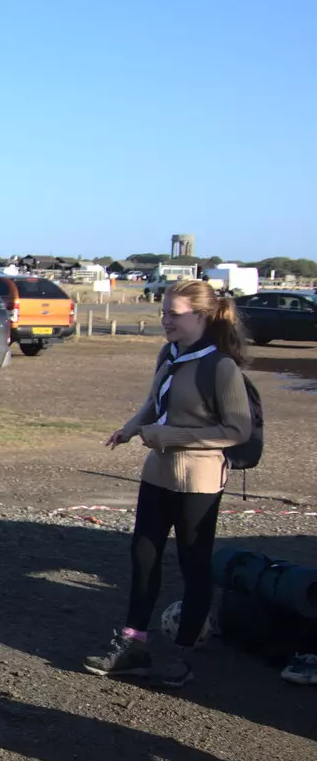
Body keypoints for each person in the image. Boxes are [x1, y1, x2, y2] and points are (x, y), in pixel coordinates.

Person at [85, 279, 254, 688]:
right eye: (163, 313)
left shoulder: (221, 366)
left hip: (199, 479)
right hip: (157, 473)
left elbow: (238, 430)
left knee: (194, 566)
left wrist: (171, 436)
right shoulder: (170, 353)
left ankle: (183, 654)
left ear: (202, 316)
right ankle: (133, 645)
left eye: (174, 315)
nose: (165, 321)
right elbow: (153, 402)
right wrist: (129, 429)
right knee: (143, 556)